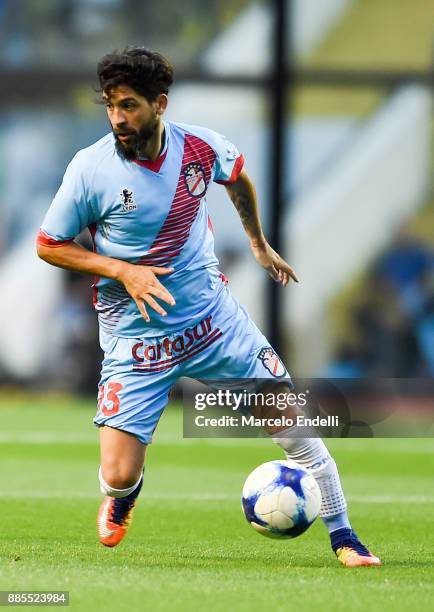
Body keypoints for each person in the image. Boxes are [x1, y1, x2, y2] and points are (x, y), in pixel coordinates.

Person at [37, 47, 380, 567]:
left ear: (160, 104)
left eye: (128, 106)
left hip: (212, 323)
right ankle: (123, 497)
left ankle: (345, 537)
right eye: (110, 106)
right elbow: (49, 243)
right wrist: (123, 270)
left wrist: (259, 243)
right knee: (118, 473)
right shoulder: (90, 169)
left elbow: (237, 176)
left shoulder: (199, 148)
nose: (117, 119)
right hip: (137, 338)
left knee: (295, 426)